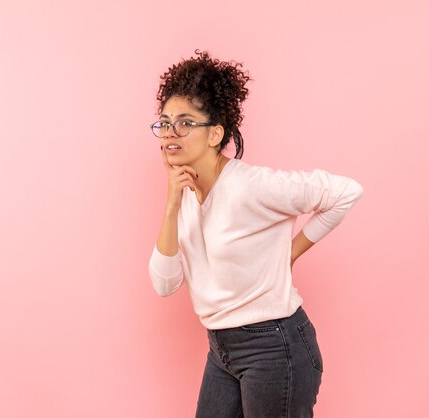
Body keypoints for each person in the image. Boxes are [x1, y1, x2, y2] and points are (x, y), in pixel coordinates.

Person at [148, 50, 363, 418]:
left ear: (215, 133)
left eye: (184, 123)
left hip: (274, 347)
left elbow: (345, 191)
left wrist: (291, 252)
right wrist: (170, 205)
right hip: (221, 350)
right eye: (164, 123)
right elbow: (165, 285)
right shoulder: (182, 189)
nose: (170, 133)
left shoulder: (251, 186)